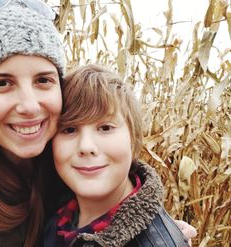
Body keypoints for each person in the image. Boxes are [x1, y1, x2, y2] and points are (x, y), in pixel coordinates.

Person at [0, 0, 195, 247]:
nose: (29, 106)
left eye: (43, 80)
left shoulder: (70, 161)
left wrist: (159, 230)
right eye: (2, 82)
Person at [44, 64, 191, 246]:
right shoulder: (54, 213)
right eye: (70, 129)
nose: (86, 146)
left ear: (134, 137)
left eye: (105, 128)